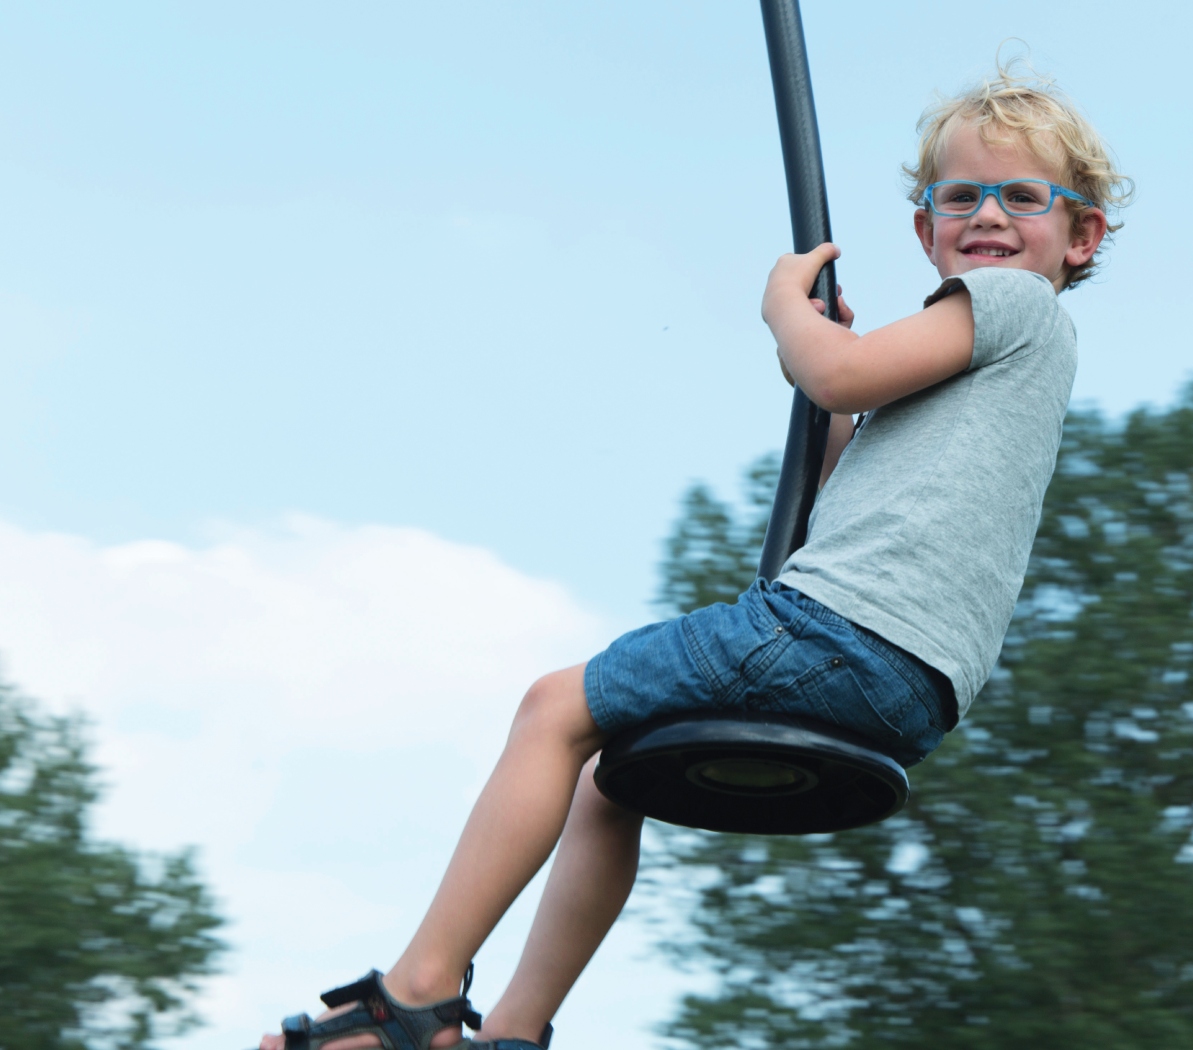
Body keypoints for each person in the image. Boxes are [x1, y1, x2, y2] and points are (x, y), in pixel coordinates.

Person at [256, 62, 1130, 1050]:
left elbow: (832, 367)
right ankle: (513, 1029)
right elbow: (839, 476)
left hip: (840, 633)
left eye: (1023, 198)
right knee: (604, 777)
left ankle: (415, 997)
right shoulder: (981, 360)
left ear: (1082, 234)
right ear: (925, 227)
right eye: (960, 197)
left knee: (553, 709)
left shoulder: (1010, 307)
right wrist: (832, 391)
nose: (989, 217)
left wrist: (787, 314)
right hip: (909, 681)